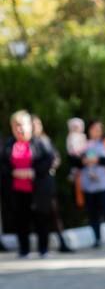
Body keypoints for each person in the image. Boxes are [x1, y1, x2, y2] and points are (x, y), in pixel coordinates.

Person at [1, 110, 56, 258]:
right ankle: (24, 250)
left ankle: (43, 249)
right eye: (15, 126)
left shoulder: (41, 142)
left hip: (38, 188)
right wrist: (13, 172)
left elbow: (50, 159)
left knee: (41, 217)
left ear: (30, 126)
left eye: (22, 125)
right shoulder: (8, 144)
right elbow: (3, 164)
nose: (19, 129)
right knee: (21, 219)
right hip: (17, 189)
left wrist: (34, 171)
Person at [72, 120, 105, 249]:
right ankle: (97, 239)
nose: (96, 131)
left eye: (98, 129)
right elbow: (74, 160)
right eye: (93, 129)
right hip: (88, 186)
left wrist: (98, 160)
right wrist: (83, 161)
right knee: (92, 214)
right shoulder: (84, 144)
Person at [32, 116, 73, 253]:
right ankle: (42, 246)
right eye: (33, 124)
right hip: (35, 183)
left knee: (54, 213)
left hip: (48, 182)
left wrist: (53, 164)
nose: (36, 127)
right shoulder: (29, 143)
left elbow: (55, 157)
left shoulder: (45, 140)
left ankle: (61, 242)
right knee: (40, 215)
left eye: (38, 124)